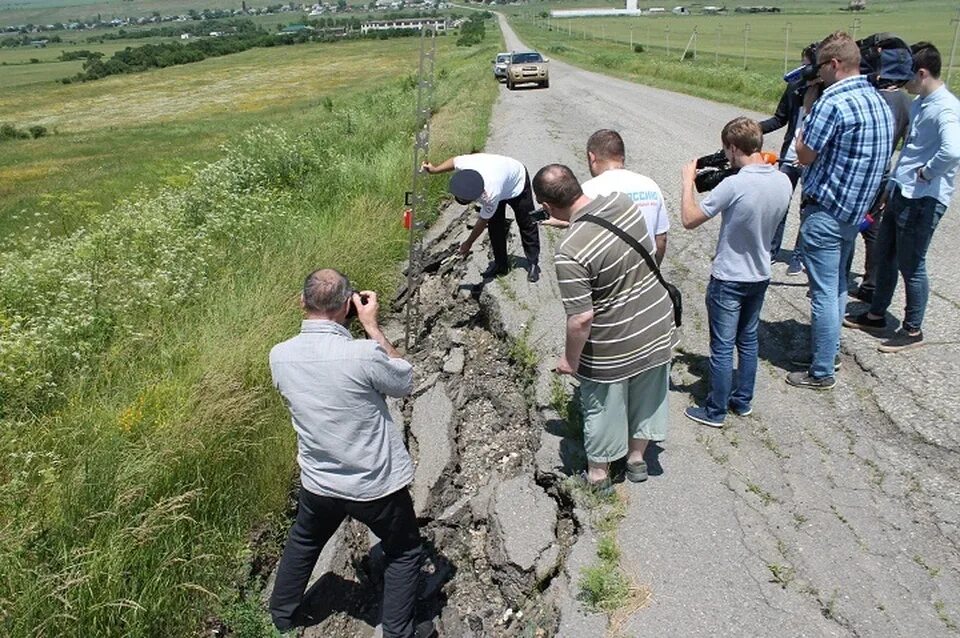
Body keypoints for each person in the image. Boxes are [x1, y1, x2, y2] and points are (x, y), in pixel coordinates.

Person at [268, 269, 422, 637]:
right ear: (347, 305)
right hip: (374, 486)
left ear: (301, 302)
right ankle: (398, 633)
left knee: (304, 540)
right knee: (404, 552)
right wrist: (372, 326)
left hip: (319, 481)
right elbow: (404, 379)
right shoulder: (363, 354)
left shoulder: (279, 356)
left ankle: (281, 616)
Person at [533, 164, 678, 492]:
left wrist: (570, 360)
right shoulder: (622, 204)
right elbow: (604, 231)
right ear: (574, 184)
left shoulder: (569, 252)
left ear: (545, 205)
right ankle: (637, 460)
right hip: (656, 324)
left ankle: (599, 475)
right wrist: (572, 223)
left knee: (603, 402)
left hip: (614, 341)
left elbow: (581, 319)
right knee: (648, 393)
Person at [787, 31, 893, 390]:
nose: (816, 75)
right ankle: (826, 352)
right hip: (853, 213)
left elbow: (804, 154)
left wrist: (806, 113)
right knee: (837, 288)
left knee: (823, 294)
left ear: (834, 64)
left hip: (825, 212)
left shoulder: (831, 102)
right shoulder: (877, 100)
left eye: (819, 68)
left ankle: (821, 371)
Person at [844, 42, 960, 352]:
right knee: (885, 255)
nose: (901, 83)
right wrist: (892, 185)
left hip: (923, 198)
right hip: (901, 190)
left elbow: (952, 150)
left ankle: (912, 330)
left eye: (907, 76)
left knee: (912, 264)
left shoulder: (945, 107)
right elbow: (909, 150)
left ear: (921, 73)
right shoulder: (921, 101)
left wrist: (927, 173)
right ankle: (876, 314)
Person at [679, 117, 792, 427]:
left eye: (726, 151)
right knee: (749, 340)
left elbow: (689, 219)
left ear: (732, 147)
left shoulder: (735, 184)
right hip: (760, 273)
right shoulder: (783, 180)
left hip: (729, 276)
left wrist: (688, 182)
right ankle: (742, 401)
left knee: (722, 346)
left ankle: (715, 410)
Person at [422, 153, 542, 282]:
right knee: (495, 227)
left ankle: (533, 262)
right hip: (500, 177)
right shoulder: (467, 165)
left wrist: (468, 243)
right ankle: (501, 265)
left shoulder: (490, 194)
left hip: (516, 181)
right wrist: (435, 170)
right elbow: (453, 161)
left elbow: (482, 220)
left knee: (527, 222)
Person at [847, 85, 913, 303]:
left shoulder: (871, 97)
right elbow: (908, 143)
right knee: (872, 230)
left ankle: (838, 279)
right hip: (884, 172)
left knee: (845, 226)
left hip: (861, 172)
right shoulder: (905, 101)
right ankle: (870, 284)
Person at [759, 42, 818, 275]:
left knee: (807, 208)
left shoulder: (829, 94)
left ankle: (799, 256)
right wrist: (753, 128)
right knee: (780, 204)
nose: (804, 71)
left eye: (808, 66)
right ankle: (771, 251)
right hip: (788, 157)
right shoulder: (794, 86)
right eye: (802, 65)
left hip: (811, 160)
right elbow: (779, 119)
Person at [580, 129, 670, 263]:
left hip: (608, 277)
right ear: (622, 156)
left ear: (592, 157)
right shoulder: (649, 185)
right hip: (646, 275)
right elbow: (661, 239)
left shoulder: (588, 190)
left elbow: (581, 243)